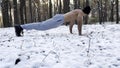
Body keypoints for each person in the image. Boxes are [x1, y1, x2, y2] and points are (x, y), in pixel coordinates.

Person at [14, 6, 91, 37]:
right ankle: (20, 27)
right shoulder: (80, 14)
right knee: (41, 26)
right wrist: (80, 34)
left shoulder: (77, 12)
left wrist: (71, 32)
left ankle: (21, 27)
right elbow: (79, 24)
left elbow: (72, 23)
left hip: (59, 17)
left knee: (41, 25)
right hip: (59, 19)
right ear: (87, 13)